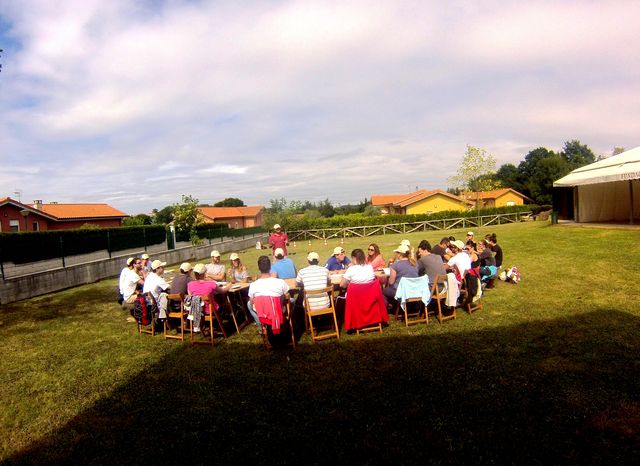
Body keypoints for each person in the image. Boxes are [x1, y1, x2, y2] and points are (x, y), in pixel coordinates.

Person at [247, 255, 290, 330]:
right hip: (278, 310)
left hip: (263, 313)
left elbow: (251, 302)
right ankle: (287, 322)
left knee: (248, 305)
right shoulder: (280, 282)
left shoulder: (253, 285)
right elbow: (287, 296)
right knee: (292, 301)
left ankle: (261, 327)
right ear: (270, 267)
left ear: (259, 269)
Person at [382, 244, 418, 309]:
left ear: (400, 254)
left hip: (401, 292)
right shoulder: (415, 264)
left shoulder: (395, 265)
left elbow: (391, 282)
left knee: (384, 291)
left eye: (397, 252)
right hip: (414, 290)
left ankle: (386, 309)